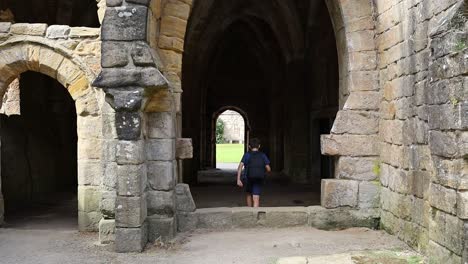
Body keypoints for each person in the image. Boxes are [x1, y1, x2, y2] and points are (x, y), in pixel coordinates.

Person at [236, 138, 271, 207]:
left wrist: (238, 179)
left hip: (248, 178)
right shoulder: (263, 155)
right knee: (256, 197)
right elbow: (268, 169)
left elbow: (240, 167)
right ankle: (255, 214)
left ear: (249, 146)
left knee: (249, 194)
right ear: (259, 146)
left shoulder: (247, 155)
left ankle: (250, 211)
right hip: (258, 178)